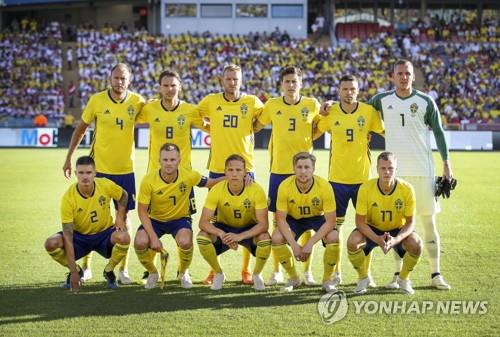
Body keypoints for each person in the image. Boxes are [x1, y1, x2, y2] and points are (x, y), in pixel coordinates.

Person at [368, 59, 453, 290]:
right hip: (396, 174)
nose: (404, 77)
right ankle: (397, 275)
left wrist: (446, 163)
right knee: (398, 225)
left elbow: (439, 132)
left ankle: (436, 274)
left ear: (413, 76)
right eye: (400, 73)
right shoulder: (381, 100)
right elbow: (359, 113)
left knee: (428, 222)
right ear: (392, 76)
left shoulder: (425, 101)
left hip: (423, 173)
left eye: (408, 73)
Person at [62, 63, 145, 284]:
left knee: (124, 218)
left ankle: (122, 270)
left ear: (130, 80)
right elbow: (80, 129)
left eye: (123, 78)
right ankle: (87, 268)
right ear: (110, 78)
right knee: (91, 218)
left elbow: (158, 118)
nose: (119, 82)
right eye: (116, 78)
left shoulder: (137, 102)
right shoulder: (97, 100)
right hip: (100, 170)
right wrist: (69, 157)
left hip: (125, 170)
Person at [136, 69, 207, 283]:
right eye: (165, 85)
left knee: (184, 232)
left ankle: (183, 271)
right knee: (148, 228)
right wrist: (141, 102)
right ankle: (152, 270)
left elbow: (209, 128)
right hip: (155, 177)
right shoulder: (149, 108)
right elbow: (130, 116)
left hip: (183, 180)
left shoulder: (190, 110)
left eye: (173, 85)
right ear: (160, 87)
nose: (169, 89)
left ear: (180, 87)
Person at [314, 74, 385, 288]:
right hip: (336, 180)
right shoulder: (332, 111)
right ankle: (336, 273)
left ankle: (366, 274)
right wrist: (320, 111)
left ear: (358, 90)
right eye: (345, 89)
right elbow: (315, 131)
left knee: (366, 228)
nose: (349, 92)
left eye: (352, 89)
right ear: (339, 91)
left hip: (363, 180)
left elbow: (385, 130)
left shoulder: (368, 112)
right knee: (333, 230)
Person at [197, 64, 264, 285]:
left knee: (249, 218)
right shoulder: (210, 101)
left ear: (241, 80)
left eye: (236, 79)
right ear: (222, 80)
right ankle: (214, 270)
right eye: (228, 79)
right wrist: (211, 128)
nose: (232, 82)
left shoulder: (252, 102)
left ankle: (246, 270)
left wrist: (251, 129)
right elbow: (196, 115)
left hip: (246, 169)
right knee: (216, 219)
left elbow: (262, 120)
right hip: (218, 168)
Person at [253, 66, 320, 286]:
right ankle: (277, 271)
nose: (291, 85)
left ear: (301, 83)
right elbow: (256, 125)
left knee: (307, 220)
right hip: (279, 171)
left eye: (294, 81)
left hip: (304, 171)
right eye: (287, 81)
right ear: (282, 83)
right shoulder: (272, 105)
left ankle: (308, 271)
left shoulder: (312, 104)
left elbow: (319, 127)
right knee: (277, 223)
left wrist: (309, 140)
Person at [134, 143, 223, 289]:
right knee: (140, 242)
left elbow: (210, 183)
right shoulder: (148, 180)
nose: (169, 163)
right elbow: (142, 211)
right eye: (165, 160)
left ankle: (183, 272)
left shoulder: (189, 175)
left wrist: (233, 177)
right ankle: (152, 273)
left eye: (172, 160)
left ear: (179, 160)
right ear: (159, 160)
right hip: (155, 220)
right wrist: (153, 237)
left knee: (185, 241)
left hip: (180, 220)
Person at [44, 156, 130, 291]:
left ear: (95, 173)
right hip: (80, 237)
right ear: (75, 174)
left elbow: (124, 195)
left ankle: (109, 270)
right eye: (81, 173)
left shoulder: (105, 184)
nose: (85, 177)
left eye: (89, 173)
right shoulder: (68, 198)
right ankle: (78, 271)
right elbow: (68, 236)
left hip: (104, 234)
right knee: (50, 243)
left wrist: (120, 216)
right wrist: (73, 272)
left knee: (124, 237)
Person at [347, 152, 422, 294]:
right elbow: (359, 222)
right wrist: (377, 239)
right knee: (352, 242)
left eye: (391, 168)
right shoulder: (366, 188)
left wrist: (396, 239)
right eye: (383, 168)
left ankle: (403, 279)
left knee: (416, 244)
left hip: (397, 229)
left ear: (396, 169)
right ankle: (363, 278)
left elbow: (411, 222)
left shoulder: (407, 189)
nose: (387, 172)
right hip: (372, 229)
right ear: (377, 169)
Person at [197, 154, 271, 291]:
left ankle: (256, 275)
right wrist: (221, 233)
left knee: (265, 238)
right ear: (225, 172)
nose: (234, 174)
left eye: (238, 170)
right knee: (202, 237)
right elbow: (203, 222)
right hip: (224, 228)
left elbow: (263, 224)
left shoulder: (256, 190)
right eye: (230, 170)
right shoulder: (216, 190)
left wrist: (240, 236)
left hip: (248, 229)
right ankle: (218, 273)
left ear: (245, 172)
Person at [271, 152, 338, 293]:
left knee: (333, 237)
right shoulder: (285, 186)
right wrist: (295, 245)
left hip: (316, 217)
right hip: (294, 219)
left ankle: (327, 280)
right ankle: (294, 278)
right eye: (299, 167)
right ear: (294, 168)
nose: (303, 171)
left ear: (313, 169)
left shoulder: (324, 186)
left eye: (307, 167)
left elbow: (331, 221)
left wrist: (309, 243)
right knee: (276, 238)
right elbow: (280, 219)